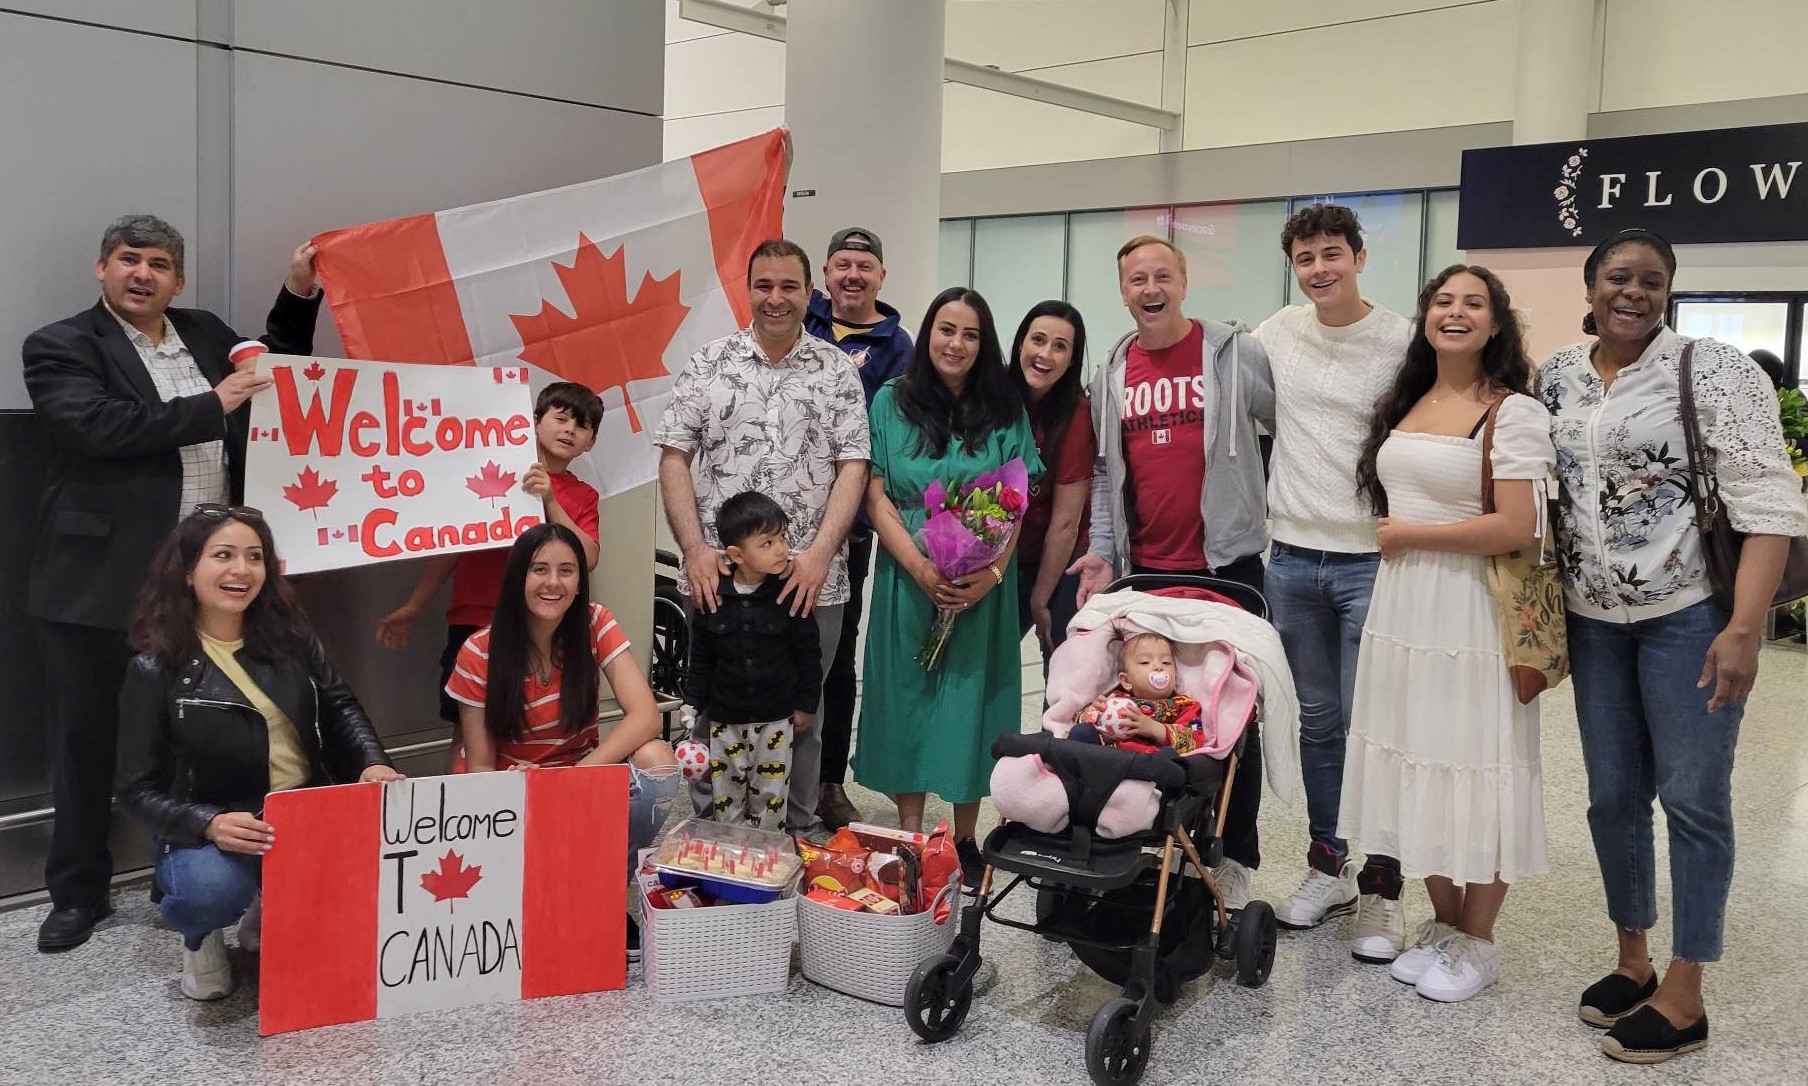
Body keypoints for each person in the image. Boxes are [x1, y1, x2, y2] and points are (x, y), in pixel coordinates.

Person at [1535, 229, 1808, 1063]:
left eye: (1652, 281)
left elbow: (1770, 502)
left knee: (1694, 801)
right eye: (1618, 278)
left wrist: (1742, 629)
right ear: (1589, 288)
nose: (1634, 293)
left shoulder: (1715, 369)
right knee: (1613, 798)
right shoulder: (1555, 377)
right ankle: (1633, 959)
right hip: (1593, 622)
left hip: (1689, 616)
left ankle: (1687, 990)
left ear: (1668, 293)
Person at [24, 214, 323, 953]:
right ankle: (78, 893)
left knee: (195, 737)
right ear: (102, 269)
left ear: (177, 280)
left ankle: (178, 874)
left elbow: (273, 373)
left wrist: (296, 295)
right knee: (87, 741)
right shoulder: (60, 345)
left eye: (159, 264)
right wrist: (210, 406)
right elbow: (97, 428)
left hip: (208, 588)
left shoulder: (204, 330)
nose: (142, 274)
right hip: (96, 585)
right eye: (129, 260)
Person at [1340, 264, 1553, 1005]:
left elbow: (1516, 526)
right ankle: (1446, 923)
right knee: (1412, 758)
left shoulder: (1514, 412)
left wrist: (1416, 535)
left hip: (1470, 614)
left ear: (1497, 324)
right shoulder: (1410, 398)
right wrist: (1408, 541)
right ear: (1425, 316)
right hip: (1403, 613)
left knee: (1477, 761)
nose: (1455, 313)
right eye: (1442, 301)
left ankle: (1480, 941)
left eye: (1473, 304)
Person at [116, 505, 401, 1000]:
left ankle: (272, 907)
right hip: (217, 827)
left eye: (254, 557)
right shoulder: (155, 669)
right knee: (207, 893)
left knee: (378, 891)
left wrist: (373, 761)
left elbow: (340, 705)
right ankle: (201, 939)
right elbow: (135, 789)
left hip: (305, 809)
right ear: (188, 570)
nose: (241, 571)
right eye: (222, 555)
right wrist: (206, 822)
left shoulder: (291, 637)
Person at [1066, 234, 1275, 911]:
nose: (1150, 289)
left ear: (1183, 282)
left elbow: (1280, 432)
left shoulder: (1234, 353)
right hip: (1148, 571)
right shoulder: (1113, 372)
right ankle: (1167, 840)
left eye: (1162, 275)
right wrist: (1104, 552)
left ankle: (1233, 853)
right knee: (1158, 704)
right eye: (1136, 279)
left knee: (1232, 715)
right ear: (1122, 291)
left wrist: (1256, 510)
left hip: (1227, 567)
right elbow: (1103, 475)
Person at [656, 238, 870, 836]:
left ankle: (796, 838)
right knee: (713, 709)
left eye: (789, 287)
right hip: (719, 579)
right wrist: (696, 548)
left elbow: (853, 466)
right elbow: (675, 457)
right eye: (764, 286)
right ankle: (713, 838)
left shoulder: (837, 372)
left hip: (810, 584)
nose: (776, 299)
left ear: (810, 293)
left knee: (804, 711)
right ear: (746, 289)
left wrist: (821, 555)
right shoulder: (707, 364)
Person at [1254, 205, 1414, 958]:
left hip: (1371, 561)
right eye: (1306, 258)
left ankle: (1384, 886)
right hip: (1289, 556)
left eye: (1331, 255)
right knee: (1317, 722)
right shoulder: (1278, 332)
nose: (1319, 270)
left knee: (1371, 723)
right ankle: (1330, 863)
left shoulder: (1402, 341)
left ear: (1358, 256)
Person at [853, 287, 1043, 884]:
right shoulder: (890, 401)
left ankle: (965, 835)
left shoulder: (1005, 406)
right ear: (927, 332)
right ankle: (912, 829)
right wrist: (917, 564)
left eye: (970, 334)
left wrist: (989, 573)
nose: (955, 344)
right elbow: (875, 493)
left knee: (970, 697)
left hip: (981, 583)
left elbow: (1018, 499)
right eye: (945, 329)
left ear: (984, 344)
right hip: (910, 572)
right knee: (907, 690)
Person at [445, 523, 680, 961]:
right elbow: (477, 766)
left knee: (658, 759)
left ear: (579, 581)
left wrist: (572, 778)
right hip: (508, 787)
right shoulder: (479, 650)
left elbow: (645, 716)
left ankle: (608, 892)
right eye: (540, 569)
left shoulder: (594, 621)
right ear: (518, 577)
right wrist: (522, 787)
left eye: (567, 571)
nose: (553, 583)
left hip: (576, 778)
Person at [375, 381, 604, 767]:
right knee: (467, 732)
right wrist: (414, 605)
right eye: (560, 419)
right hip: (476, 621)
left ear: (590, 442)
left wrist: (549, 499)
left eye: (580, 427)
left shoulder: (583, 496)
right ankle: (461, 813)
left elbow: (589, 557)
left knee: (535, 724)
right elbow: (452, 550)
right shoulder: (489, 475)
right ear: (533, 422)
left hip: (546, 630)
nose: (568, 430)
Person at [805, 226, 913, 831]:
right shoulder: (798, 319)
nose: (852, 276)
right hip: (777, 522)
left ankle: (827, 782)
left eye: (863, 267)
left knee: (836, 655)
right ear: (825, 272)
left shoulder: (900, 347)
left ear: (881, 277)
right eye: (842, 264)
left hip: (849, 531)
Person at [684, 490, 822, 830]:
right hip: (724, 720)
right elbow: (700, 657)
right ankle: (730, 856)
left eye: (782, 538)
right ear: (736, 554)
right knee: (726, 794)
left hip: (775, 720)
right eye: (767, 543)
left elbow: (809, 655)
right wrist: (691, 703)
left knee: (770, 796)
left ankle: (766, 857)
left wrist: (806, 704)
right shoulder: (714, 596)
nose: (781, 549)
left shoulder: (789, 593)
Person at [1008, 300, 1094, 663]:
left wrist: (1040, 599)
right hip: (1003, 553)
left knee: (1062, 662)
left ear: (1072, 359)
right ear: (1021, 344)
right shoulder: (996, 397)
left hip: (1063, 553)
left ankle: (1056, 722)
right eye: (1038, 340)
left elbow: (1066, 523)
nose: (1045, 354)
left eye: (1060, 346)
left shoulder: (1076, 414)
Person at [1069, 632, 1207, 753]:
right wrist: (1093, 713)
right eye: (1145, 662)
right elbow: (1076, 719)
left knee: (1168, 757)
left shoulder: (1183, 705)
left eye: (1166, 663)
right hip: (1110, 757)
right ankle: (1076, 776)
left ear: (1175, 676)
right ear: (1126, 681)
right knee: (1081, 732)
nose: (1158, 667)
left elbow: (1194, 740)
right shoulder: (1116, 700)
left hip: (1150, 764)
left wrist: (1154, 729)